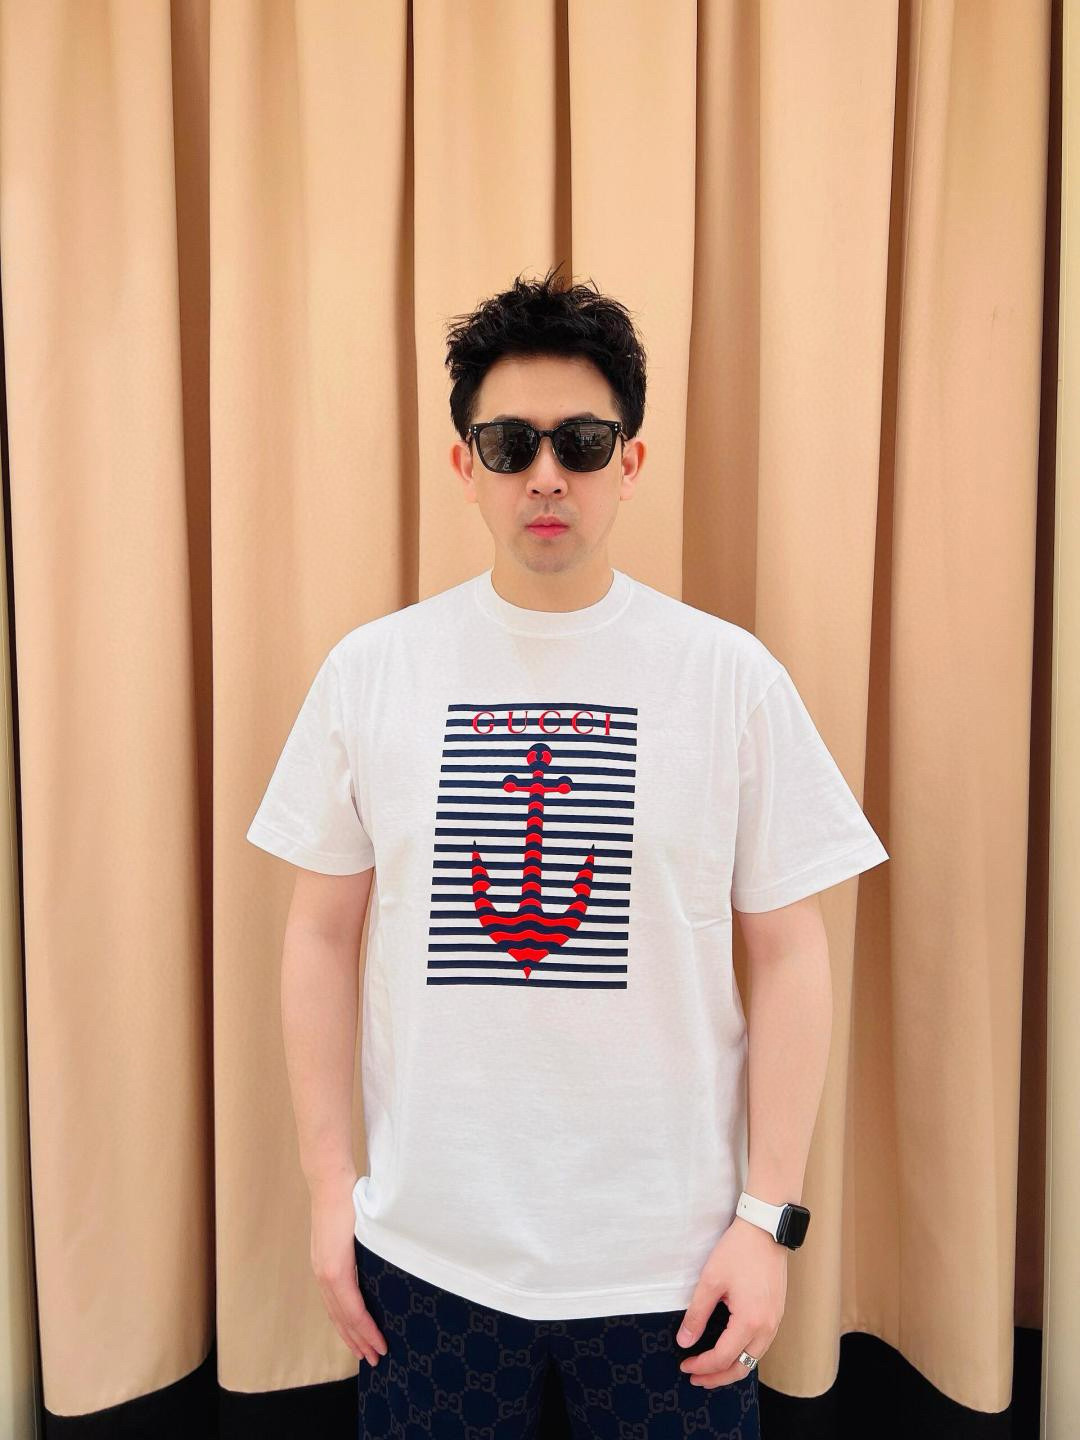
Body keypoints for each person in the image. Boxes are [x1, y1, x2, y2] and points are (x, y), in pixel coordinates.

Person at [246, 266, 889, 1438]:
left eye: (583, 442)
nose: (547, 474)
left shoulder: (729, 679)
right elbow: (318, 937)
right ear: (465, 465)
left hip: (673, 1265)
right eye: (511, 444)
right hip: (429, 1257)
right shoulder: (370, 674)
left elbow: (793, 955)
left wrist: (769, 1219)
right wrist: (328, 1191)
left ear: (630, 462)